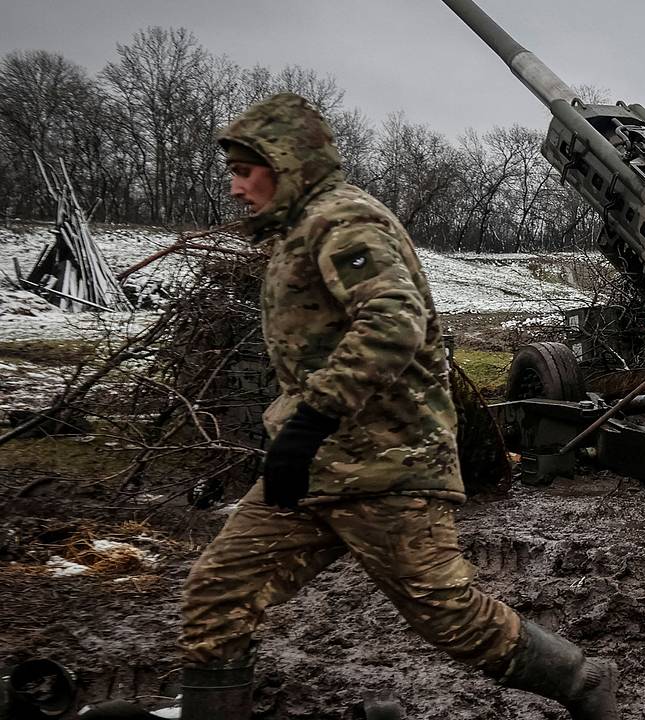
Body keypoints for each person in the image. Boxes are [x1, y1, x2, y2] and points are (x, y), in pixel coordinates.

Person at [178, 94, 618, 719]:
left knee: (451, 616)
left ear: (285, 163)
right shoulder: (296, 233)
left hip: (386, 468)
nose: (235, 187)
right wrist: (301, 437)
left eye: (245, 171)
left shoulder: (343, 221)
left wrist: (310, 419)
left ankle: (582, 682)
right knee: (217, 595)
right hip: (316, 469)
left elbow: (393, 320)